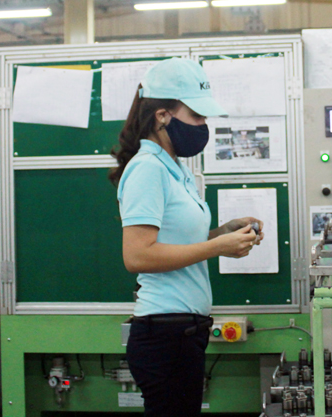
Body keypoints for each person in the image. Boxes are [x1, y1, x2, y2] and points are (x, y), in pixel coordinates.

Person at [109, 58, 264, 417]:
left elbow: (174, 241)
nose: (203, 126)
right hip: (164, 333)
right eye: (196, 116)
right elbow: (138, 256)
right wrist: (216, 247)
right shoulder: (147, 169)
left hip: (182, 332)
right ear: (162, 115)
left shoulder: (174, 168)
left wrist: (221, 233)